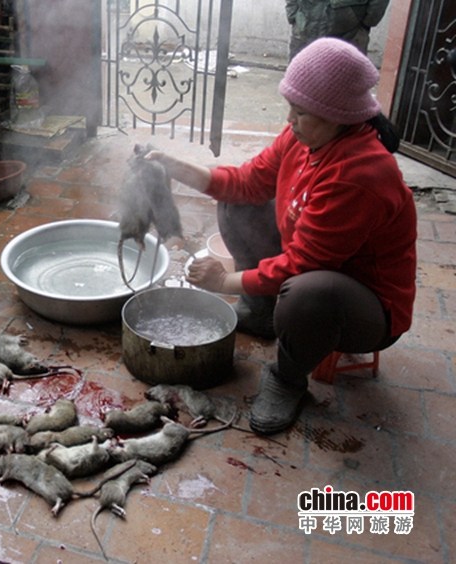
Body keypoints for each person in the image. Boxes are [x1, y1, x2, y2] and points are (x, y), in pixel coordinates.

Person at [146, 38, 417, 434]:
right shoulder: (305, 136)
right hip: (317, 266)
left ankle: (288, 377)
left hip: (365, 305)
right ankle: (261, 312)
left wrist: (223, 282)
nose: (290, 119)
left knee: (307, 293)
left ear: (338, 115)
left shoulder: (359, 174)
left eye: (301, 112)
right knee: (236, 202)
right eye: (291, 107)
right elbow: (245, 182)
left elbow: (302, 265)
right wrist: (174, 166)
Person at [286, 0, 391, 60]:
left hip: (349, 33)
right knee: (301, 85)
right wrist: (292, 14)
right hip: (305, 27)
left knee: (345, 86)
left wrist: (367, 23)